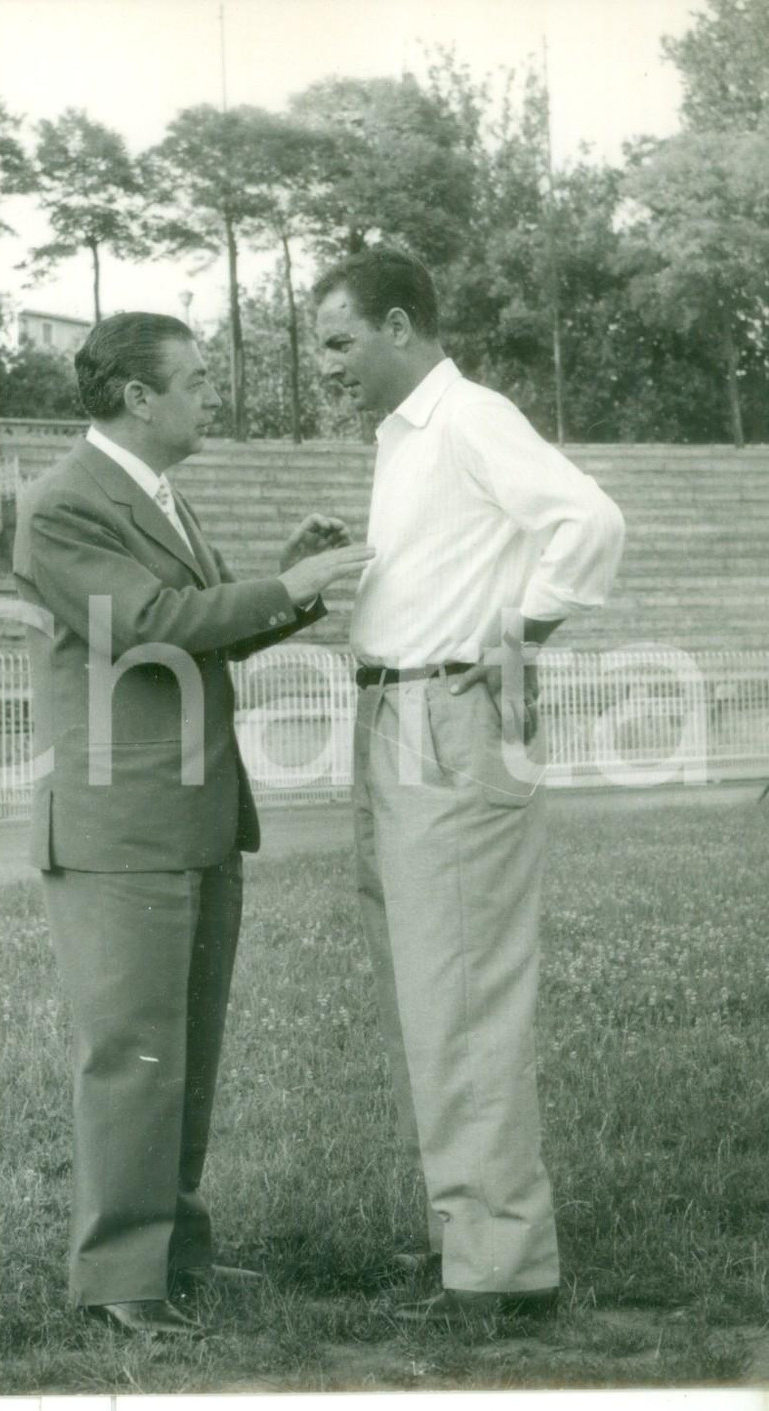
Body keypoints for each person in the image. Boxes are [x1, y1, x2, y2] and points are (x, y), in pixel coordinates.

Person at [13, 311, 373, 1337]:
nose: (214, 394)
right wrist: (287, 585)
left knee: (184, 1051)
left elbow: (205, 621)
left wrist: (285, 583)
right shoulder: (64, 503)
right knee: (131, 1051)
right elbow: (152, 628)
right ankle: (120, 1279)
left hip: (194, 816)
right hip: (122, 826)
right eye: (200, 379)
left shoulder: (152, 495)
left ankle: (171, 1250)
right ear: (139, 395)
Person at [312, 247, 625, 1325]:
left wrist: (520, 633)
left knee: (463, 994)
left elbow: (590, 519)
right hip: (394, 712)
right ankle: (468, 1236)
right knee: (424, 990)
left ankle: (501, 1270)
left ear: (401, 325)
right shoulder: (406, 439)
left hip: (449, 719)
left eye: (340, 341)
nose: (326, 366)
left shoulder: (470, 415)